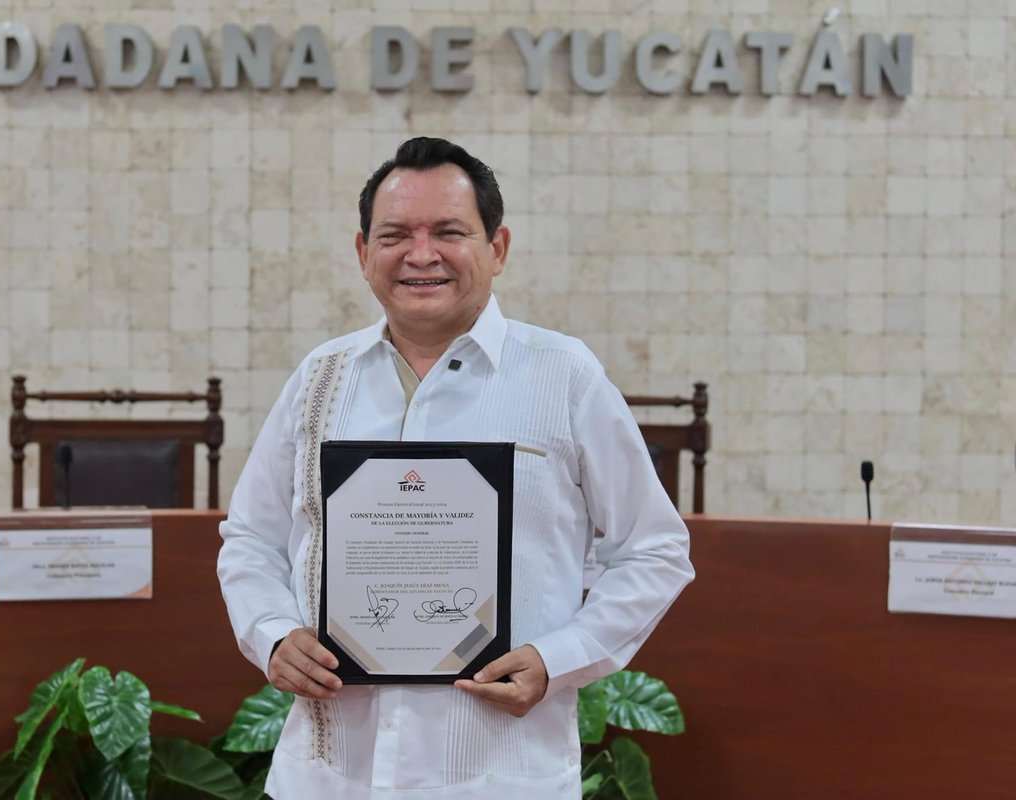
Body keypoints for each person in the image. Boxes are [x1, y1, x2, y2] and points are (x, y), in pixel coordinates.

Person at [217, 137, 694, 799]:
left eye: (449, 231)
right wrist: (271, 633)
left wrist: (558, 661)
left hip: (498, 775)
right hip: (327, 777)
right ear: (362, 253)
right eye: (394, 235)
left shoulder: (563, 377)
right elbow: (250, 536)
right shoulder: (320, 379)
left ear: (497, 249)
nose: (420, 254)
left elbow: (656, 549)